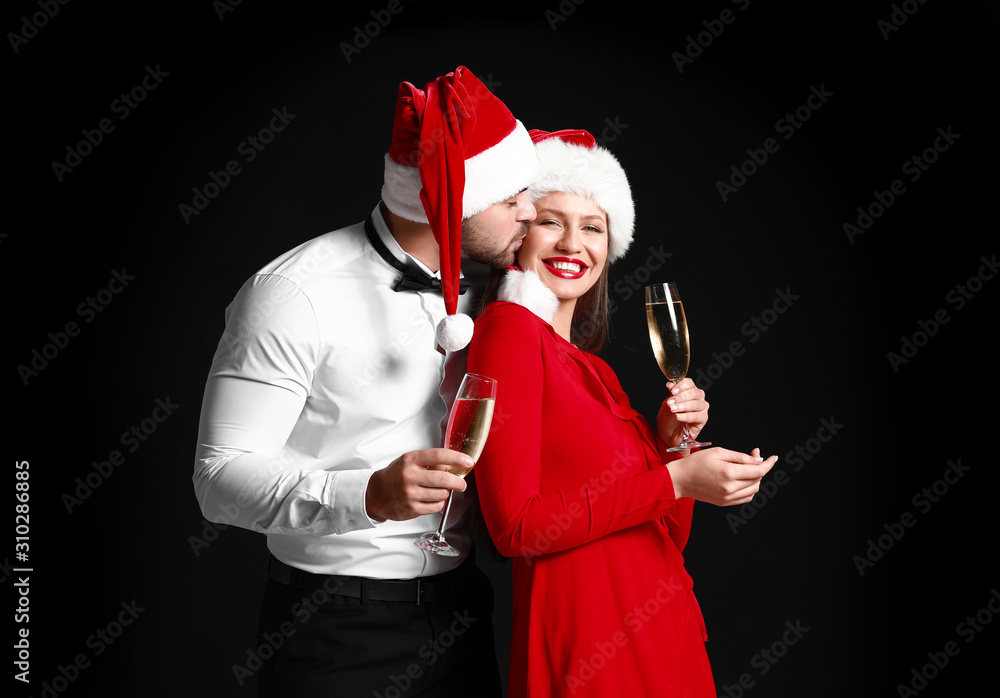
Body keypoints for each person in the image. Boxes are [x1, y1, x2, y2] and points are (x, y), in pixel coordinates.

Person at [191, 66, 541, 697]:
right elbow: (218, 481)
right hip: (335, 630)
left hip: (463, 610)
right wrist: (370, 496)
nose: (531, 211)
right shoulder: (292, 293)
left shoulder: (498, 285)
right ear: (446, 199)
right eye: (510, 196)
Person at [465, 128, 778, 697]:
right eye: (551, 221)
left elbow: (664, 535)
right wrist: (675, 477)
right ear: (518, 232)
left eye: (593, 228)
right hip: (592, 642)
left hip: (661, 628)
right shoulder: (508, 332)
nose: (572, 244)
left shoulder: (596, 370)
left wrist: (674, 446)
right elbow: (515, 528)